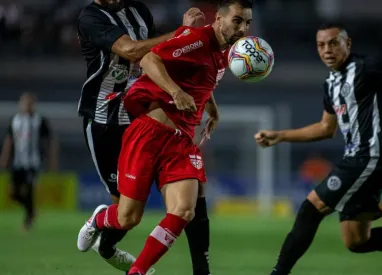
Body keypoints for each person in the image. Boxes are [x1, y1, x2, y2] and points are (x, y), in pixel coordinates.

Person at [254, 24, 382, 275]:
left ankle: (278, 273)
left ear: (347, 44)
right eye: (321, 45)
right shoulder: (330, 84)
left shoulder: (367, 67)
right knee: (357, 241)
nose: (327, 50)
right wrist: (280, 136)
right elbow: (326, 128)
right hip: (362, 160)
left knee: (310, 208)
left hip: (370, 157)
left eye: (333, 43)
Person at [77, 1, 253, 274]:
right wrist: (174, 92)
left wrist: (213, 109)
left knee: (185, 210)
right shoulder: (195, 39)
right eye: (238, 21)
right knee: (128, 216)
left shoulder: (223, 54)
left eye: (247, 24)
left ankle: (142, 271)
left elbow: (196, 78)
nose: (242, 29)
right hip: (141, 130)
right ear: (219, 19)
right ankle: (101, 222)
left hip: (181, 141)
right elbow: (147, 57)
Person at [0, 92, 58, 231]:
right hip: (18, 162)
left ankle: (28, 222)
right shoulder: (15, 120)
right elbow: (9, 140)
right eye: (24, 103)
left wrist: (52, 160)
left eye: (29, 103)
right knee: (13, 193)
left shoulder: (40, 121)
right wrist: (4, 158)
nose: (26, 106)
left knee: (29, 190)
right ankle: (31, 211)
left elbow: (50, 142)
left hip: (33, 163)